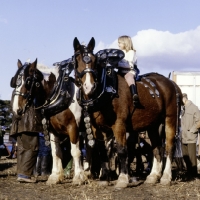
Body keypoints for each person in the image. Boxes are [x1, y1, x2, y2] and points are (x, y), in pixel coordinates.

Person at [181, 93, 200, 180]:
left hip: (191, 137)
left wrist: (192, 131)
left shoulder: (194, 108)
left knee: (192, 157)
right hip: (183, 137)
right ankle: (188, 173)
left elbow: (199, 122)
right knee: (185, 156)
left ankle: (193, 175)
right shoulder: (183, 109)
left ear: (184, 99)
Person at [117, 35, 140, 105]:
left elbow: (130, 65)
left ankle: (134, 94)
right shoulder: (119, 52)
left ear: (125, 43)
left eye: (120, 43)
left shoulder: (131, 52)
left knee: (129, 78)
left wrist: (117, 64)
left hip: (129, 71)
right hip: (120, 71)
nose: (118, 44)